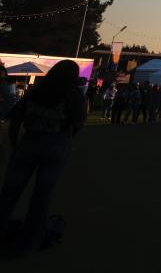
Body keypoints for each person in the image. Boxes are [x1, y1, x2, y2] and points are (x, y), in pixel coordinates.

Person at [0, 60, 85, 255]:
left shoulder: (36, 91)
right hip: (57, 146)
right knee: (41, 198)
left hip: (29, 143)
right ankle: (29, 242)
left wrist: (15, 144)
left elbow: (16, 118)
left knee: (9, 193)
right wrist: (68, 139)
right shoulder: (73, 95)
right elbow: (78, 122)